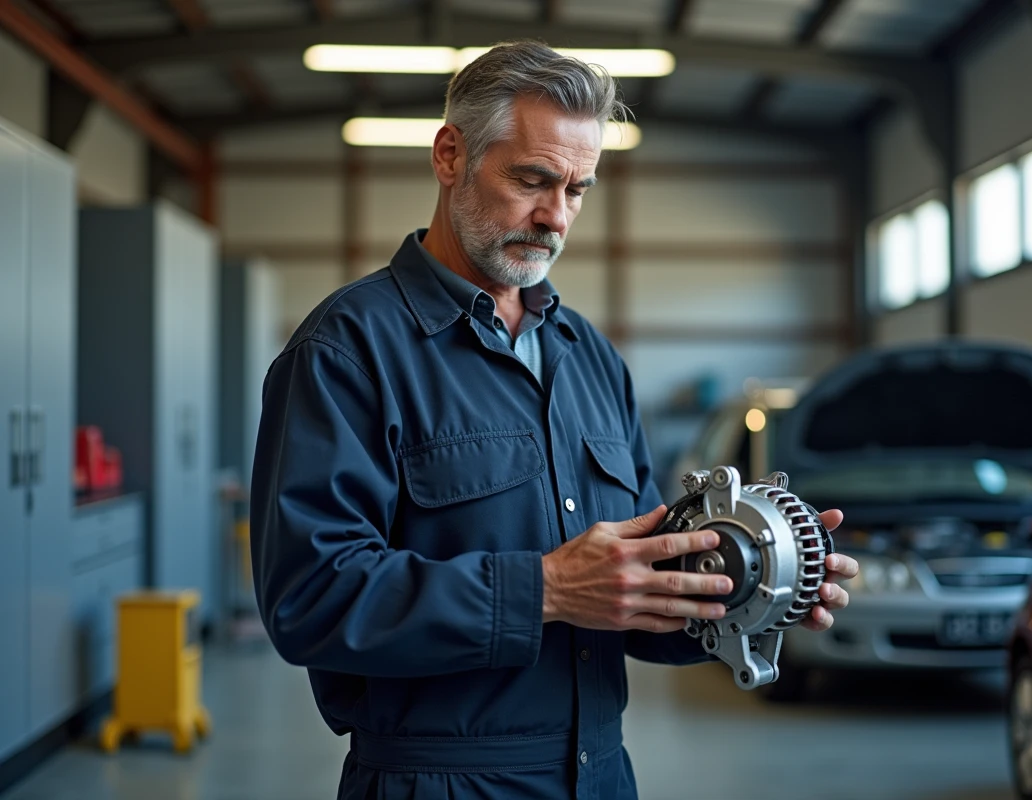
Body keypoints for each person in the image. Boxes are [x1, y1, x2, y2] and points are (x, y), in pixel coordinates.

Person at [250, 40, 859, 800]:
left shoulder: (591, 359)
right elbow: (308, 600)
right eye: (532, 180)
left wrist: (751, 592)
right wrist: (543, 589)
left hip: (600, 775)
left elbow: (636, 600)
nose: (554, 217)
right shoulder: (347, 352)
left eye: (577, 189)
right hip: (435, 781)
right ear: (450, 156)